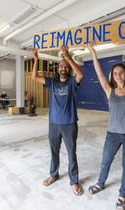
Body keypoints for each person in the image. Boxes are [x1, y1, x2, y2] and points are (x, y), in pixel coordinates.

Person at [86, 32, 125, 210]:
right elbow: (99, 73)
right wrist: (93, 53)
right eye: (115, 73)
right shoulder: (109, 90)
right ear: (112, 76)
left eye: (120, 72)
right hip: (112, 134)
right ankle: (100, 183)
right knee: (105, 161)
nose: (118, 75)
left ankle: (122, 195)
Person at [31, 45, 84, 196]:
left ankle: (74, 181)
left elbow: (80, 75)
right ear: (58, 68)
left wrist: (68, 57)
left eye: (66, 66)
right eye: (61, 66)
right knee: (54, 151)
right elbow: (35, 77)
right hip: (53, 124)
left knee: (71, 153)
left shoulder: (72, 82)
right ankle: (54, 175)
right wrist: (35, 60)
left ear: (68, 69)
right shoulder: (51, 82)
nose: (63, 68)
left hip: (69, 124)